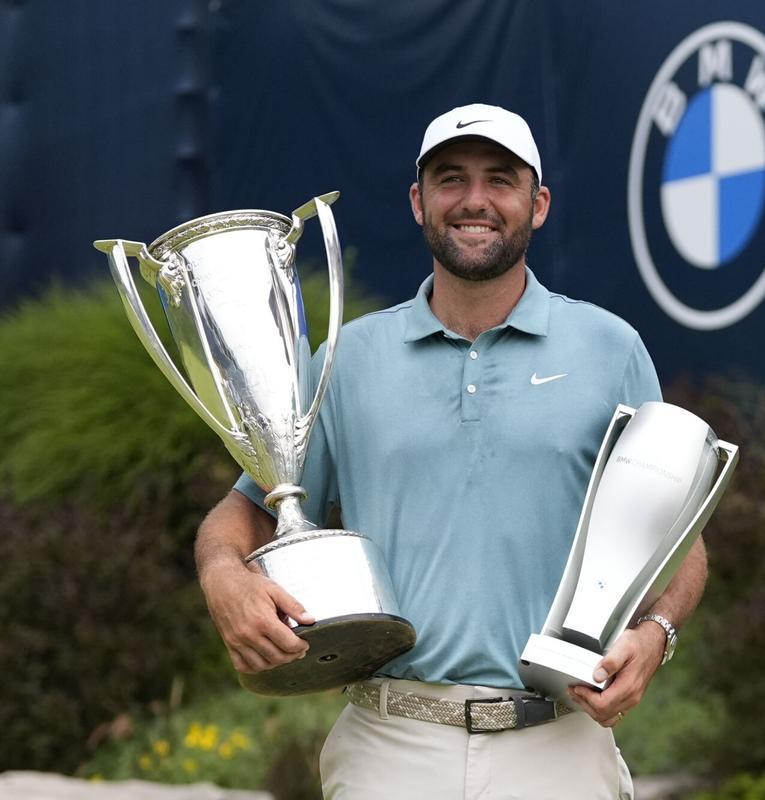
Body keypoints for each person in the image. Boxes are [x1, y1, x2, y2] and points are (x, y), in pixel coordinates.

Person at [194, 103, 708, 799]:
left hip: (560, 743)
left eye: (500, 179)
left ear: (539, 203)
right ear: (418, 202)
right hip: (388, 746)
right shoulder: (347, 360)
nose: (474, 200)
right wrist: (225, 578)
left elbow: (679, 539)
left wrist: (656, 634)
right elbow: (248, 509)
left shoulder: (609, 349)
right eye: (450, 179)